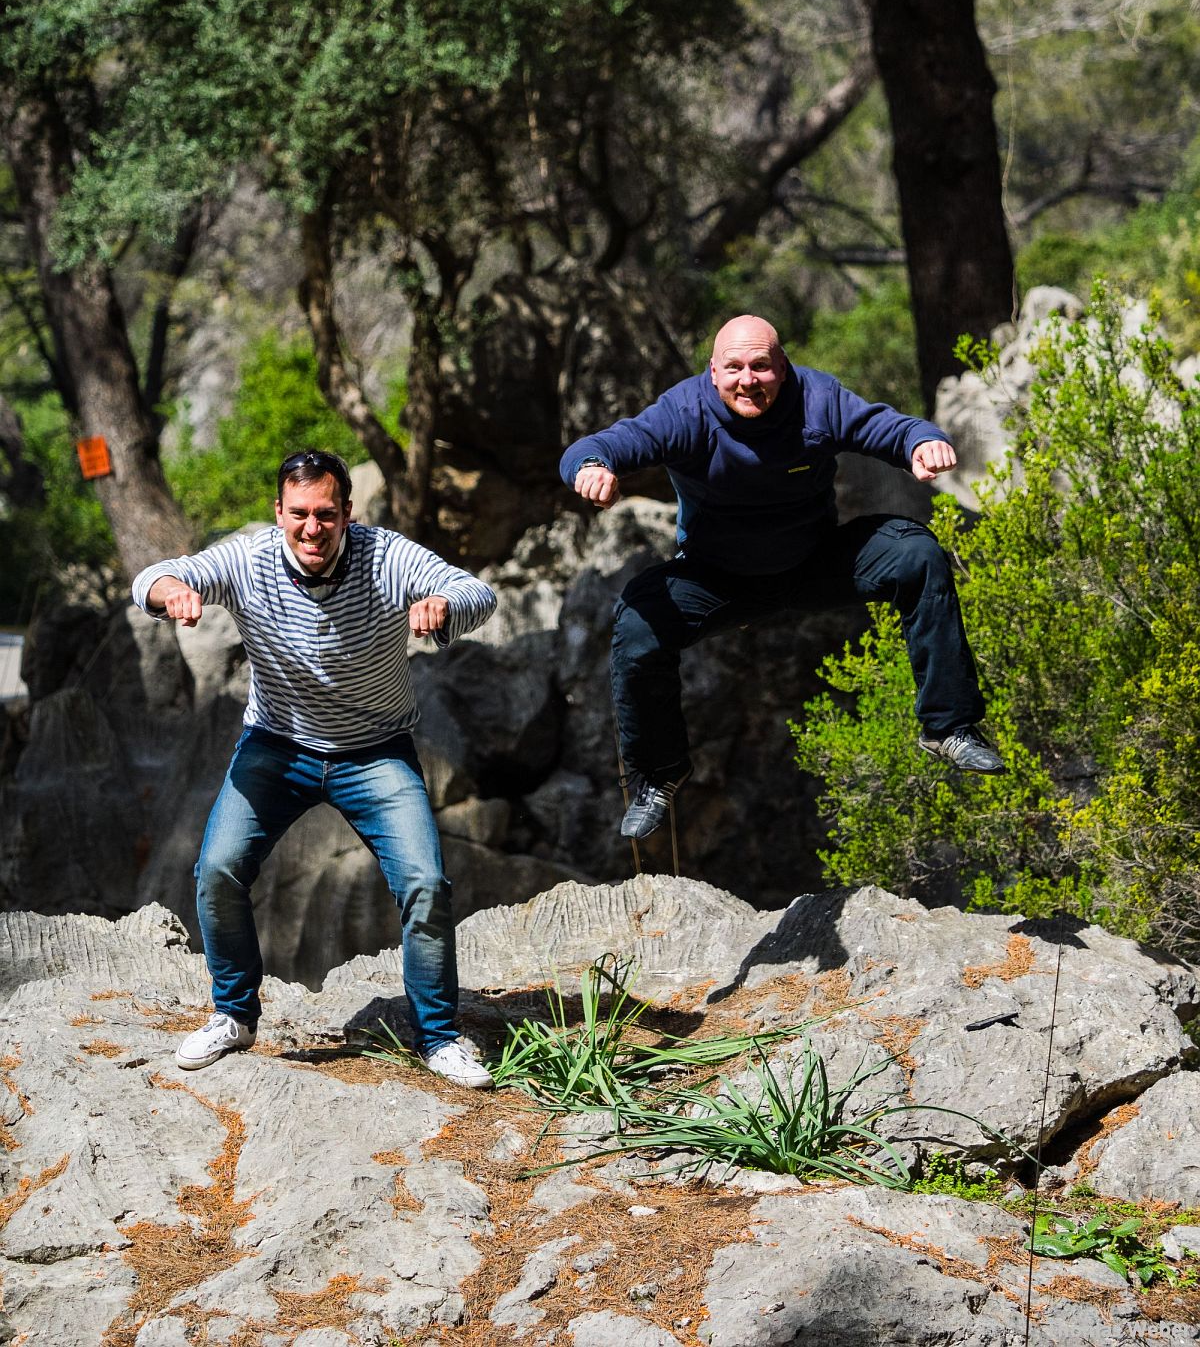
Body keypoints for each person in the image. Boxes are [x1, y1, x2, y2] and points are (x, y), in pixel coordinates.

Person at [560, 315, 1002, 841]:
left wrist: (922, 442)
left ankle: (948, 726)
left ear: (783, 367)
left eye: (762, 367)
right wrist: (592, 466)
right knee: (636, 623)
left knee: (916, 551)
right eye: (734, 368)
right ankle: (659, 775)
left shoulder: (817, 399)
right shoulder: (683, 412)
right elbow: (603, 444)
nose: (748, 380)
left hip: (814, 562)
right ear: (713, 371)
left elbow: (891, 427)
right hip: (719, 579)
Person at [132, 448, 496, 1085]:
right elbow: (155, 576)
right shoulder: (248, 558)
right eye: (298, 514)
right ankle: (234, 1015)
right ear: (278, 513)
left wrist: (444, 607)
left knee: (426, 884)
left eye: (325, 514)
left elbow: (477, 591)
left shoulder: (386, 556)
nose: (311, 528)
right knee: (217, 869)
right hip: (277, 747)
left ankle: (439, 1037)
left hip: (376, 750)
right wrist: (174, 593)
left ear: (347, 513)